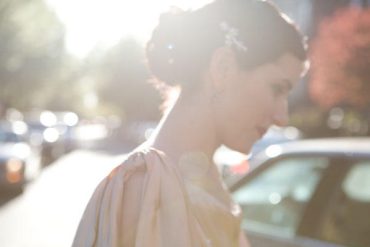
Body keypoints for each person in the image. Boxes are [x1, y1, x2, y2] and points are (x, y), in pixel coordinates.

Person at [72, 0, 308, 246]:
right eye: (277, 89)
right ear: (223, 68)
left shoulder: (206, 182)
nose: (282, 117)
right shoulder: (145, 187)